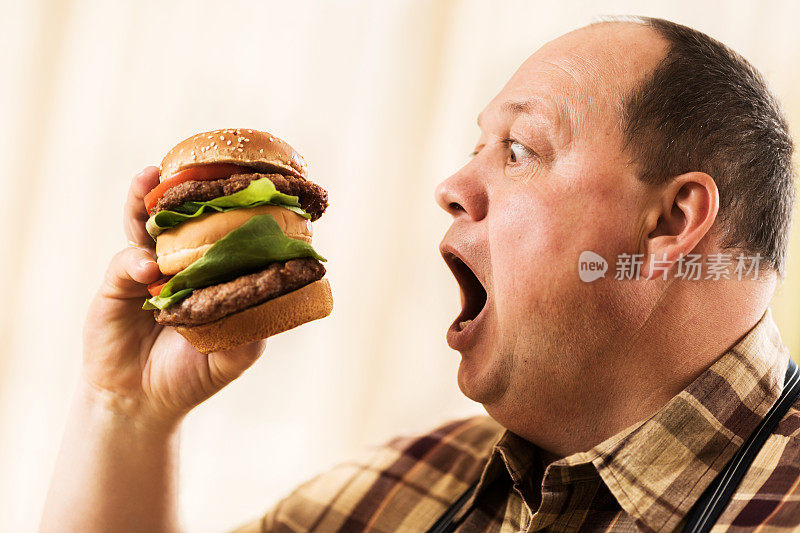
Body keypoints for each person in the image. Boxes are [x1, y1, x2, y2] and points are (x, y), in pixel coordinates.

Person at [41, 15, 799, 532]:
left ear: (669, 222)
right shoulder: (400, 488)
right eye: (479, 145)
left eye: (519, 150)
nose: (452, 185)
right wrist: (128, 414)